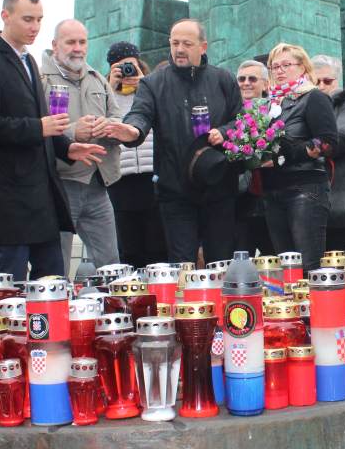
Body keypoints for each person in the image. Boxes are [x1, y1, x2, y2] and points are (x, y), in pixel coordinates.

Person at [0, 0, 105, 280]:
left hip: (40, 193)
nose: (35, 27)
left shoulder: (29, 61)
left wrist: (66, 148)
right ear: (6, 16)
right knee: (13, 285)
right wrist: (38, 127)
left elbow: (43, 122)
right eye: (28, 19)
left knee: (53, 281)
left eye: (39, 19)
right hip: (9, 192)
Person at [107, 19, 241, 264]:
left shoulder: (223, 79)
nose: (179, 49)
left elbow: (241, 120)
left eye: (187, 43)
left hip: (219, 184)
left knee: (221, 261)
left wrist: (225, 131)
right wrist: (133, 130)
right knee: (182, 264)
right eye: (174, 42)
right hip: (175, 188)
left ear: (203, 46)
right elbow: (141, 113)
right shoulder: (153, 82)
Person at [41, 19, 122, 272]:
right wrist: (73, 131)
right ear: (55, 45)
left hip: (98, 183)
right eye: (70, 42)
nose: (77, 48)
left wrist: (107, 126)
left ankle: (112, 310)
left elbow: (118, 118)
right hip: (61, 184)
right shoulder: (39, 80)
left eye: (82, 42)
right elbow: (33, 126)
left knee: (111, 264)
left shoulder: (98, 78)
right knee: (58, 267)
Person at [257, 43, 339, 270]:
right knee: (286, 270)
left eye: (286, 65)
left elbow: (328, 142)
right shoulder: (270, 103)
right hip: (272, 189)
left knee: (307, 266)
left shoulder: (313, 97)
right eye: (274, 67)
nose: (280, 71)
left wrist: (288, 153)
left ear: (303, 67)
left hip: (304, 188)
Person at [106, 43, 168, 268]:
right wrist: (109, 87)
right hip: (121, 178)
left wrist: (144, 84)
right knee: (128, 245)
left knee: (157, 243)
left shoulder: (150, 88)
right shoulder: (105, 91)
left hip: (152, 175)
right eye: (120, 67)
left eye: (130, 65)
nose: (126, 71)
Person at [313, 54, 345, 253]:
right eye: (316, 81)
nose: (322, 85)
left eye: (327, 81)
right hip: (311, 202)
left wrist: (312, 146)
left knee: (335, 269)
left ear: (337, 81)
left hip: (339, 202)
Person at [233, 60, 274, 257]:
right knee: (240, 261)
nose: (246, 83)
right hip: (240, 201)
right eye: (241, 79)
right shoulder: (229, 112)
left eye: (252, 78)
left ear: (266, 84)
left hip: (273, 198)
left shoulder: (277, 111)